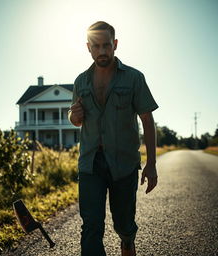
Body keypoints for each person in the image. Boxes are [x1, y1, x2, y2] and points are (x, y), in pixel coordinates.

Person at [68, 21, 159, 256]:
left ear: (115, 44)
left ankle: (127, 242)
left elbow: (147, 121)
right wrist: (72, 116)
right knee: (91, 227)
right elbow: (76, 118)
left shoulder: (134, 78)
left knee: (124, 227)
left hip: (124, 164)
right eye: (96, 46)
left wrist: (151, 164)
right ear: (88, 47)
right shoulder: (81, 82)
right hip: (90, 164)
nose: (102, 51)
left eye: (106, 45)